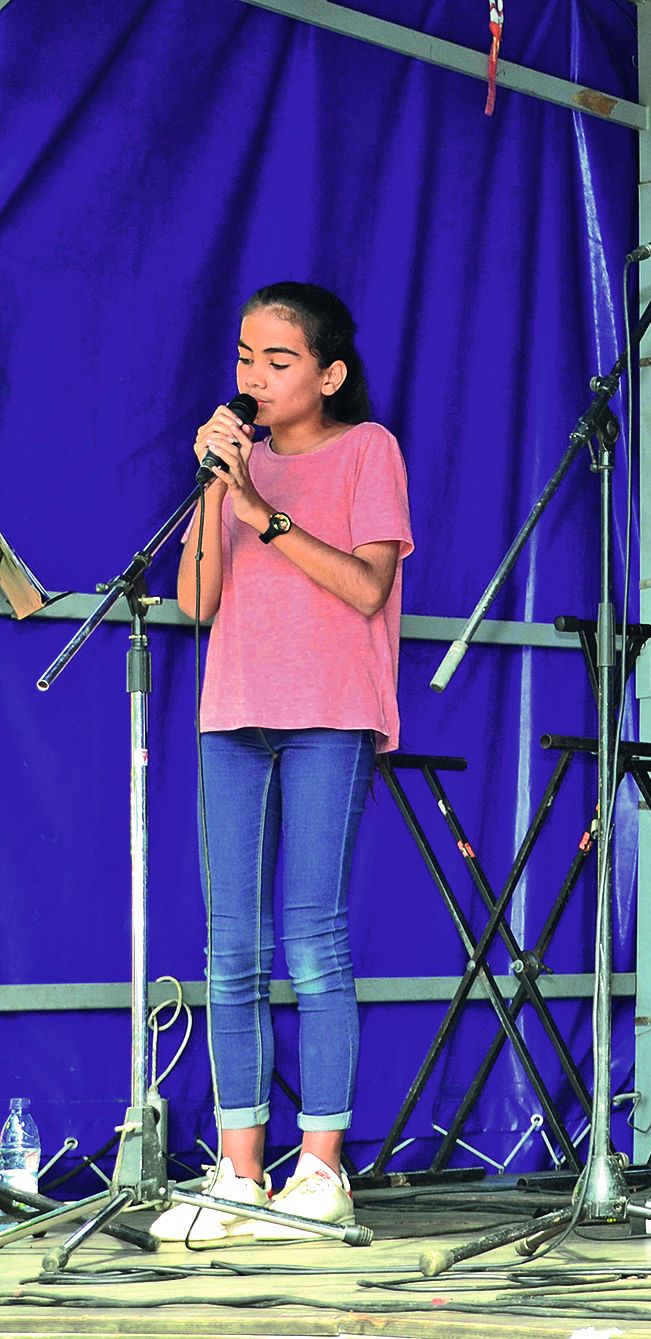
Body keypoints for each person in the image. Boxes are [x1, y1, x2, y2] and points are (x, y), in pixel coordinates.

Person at [163, 282, 413, 1243]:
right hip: (233, 712)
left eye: (278, 361)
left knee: (313, 939)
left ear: (329, 372)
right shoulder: (236, 469)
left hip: (328, 713)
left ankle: (319, 1171)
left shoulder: (368, 450)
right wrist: (212, 493)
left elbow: (363, 584)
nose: (254, 378)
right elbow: (196, 601)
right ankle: (237, 1173)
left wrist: (261, 508)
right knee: (231, 949)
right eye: (243, 358)